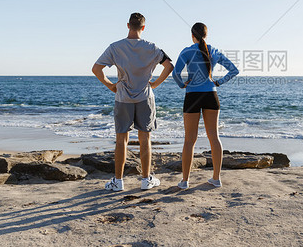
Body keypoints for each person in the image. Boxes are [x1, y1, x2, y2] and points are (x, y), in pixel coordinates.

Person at [92, 12, 173, 192]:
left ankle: (118, 181)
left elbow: (96, 69)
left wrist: (111, 86)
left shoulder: (115, 47)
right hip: (145, 97)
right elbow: (169, 66)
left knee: (122, 140)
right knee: (145, 139)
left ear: (128, 25)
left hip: (123, 98)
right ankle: (145, 179)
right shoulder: (151, 47)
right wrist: (155, 84)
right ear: (143, 28)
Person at [172, 22, 239, 189]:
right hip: (211, 95)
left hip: (192, 96)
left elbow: (175, 73)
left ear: (192, 35)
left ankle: (185, 181)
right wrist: (218, 82)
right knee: (214, 137)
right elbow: (234, 70)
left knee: (189, 140)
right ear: (206, 35)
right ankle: (216, 178)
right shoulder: (214, 51)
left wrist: (182, 85)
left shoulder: (187, 51)